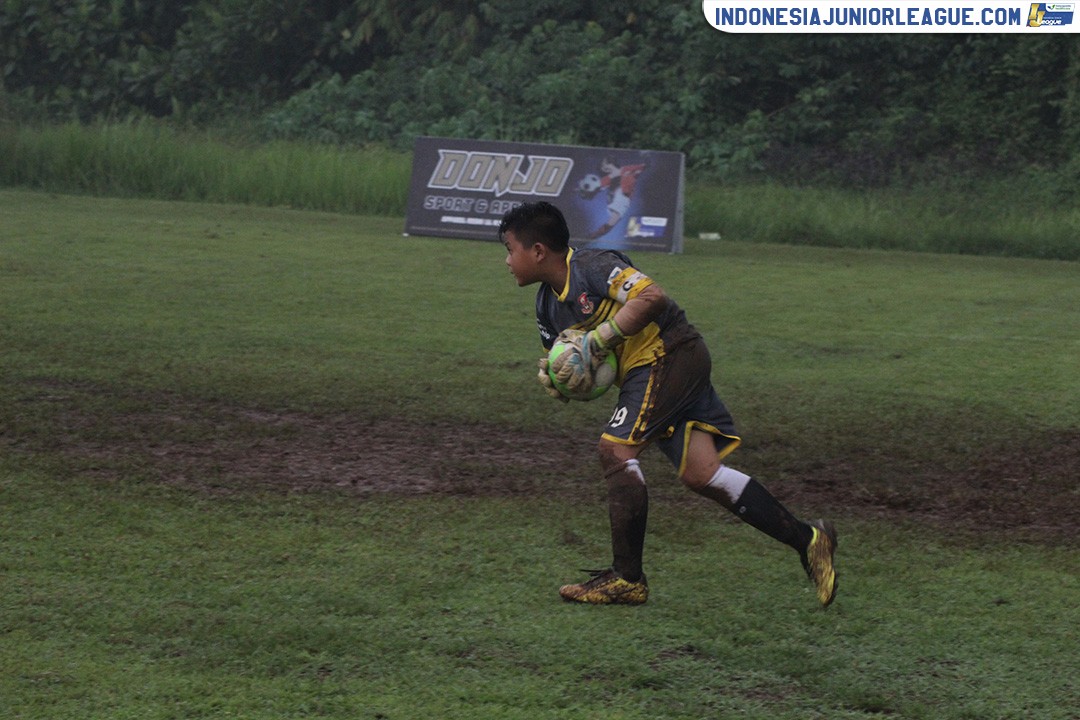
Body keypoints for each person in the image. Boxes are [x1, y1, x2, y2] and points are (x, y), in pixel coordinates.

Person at [498, 201, 838, 607]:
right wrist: (560, 381)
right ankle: (810, 540)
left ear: (538, 251)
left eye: (510, 249)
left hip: (669, 352)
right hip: (650, 368)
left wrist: (601, 337)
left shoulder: (593, 266)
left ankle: (627, 578)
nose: (507, 261)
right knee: (702, 474)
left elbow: (652, 296)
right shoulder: (545, 306)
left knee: (615, 451)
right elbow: (574, 360)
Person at [585, 158, 646, 240]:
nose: (602, 168)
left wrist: (644, 163)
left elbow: (642, 167)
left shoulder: (627, 169)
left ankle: (596, 234)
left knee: (613, 221)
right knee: (613, 220)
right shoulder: (608, 178)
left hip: (623, 198)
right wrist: (587, 192)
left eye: (603, 165)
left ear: (609, 163)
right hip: (618, 199)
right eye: (601, 167)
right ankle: (595, 235)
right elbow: (597, 187)